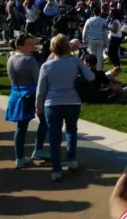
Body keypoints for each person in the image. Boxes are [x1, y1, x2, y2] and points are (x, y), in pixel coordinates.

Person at [36, 34, 95, 181]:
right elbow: (91, 77)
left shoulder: (46, 66)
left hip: (52, 104)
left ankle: (56, 170)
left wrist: (38, 106)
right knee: (71, 131)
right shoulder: (75, 62)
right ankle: (72, 160)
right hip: (72, 102)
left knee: (54, 137)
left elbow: (40, 89)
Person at [5, 33, 49, 168]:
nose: (32, 45)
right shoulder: (29, 60)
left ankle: (19, 156)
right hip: (31, 94)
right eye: (29, 43)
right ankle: (38, 150)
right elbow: (39, 79)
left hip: (16, 94)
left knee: (21, 127)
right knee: (45, 121)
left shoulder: (10, 58)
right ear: (21, 45)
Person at [83, 6, 108, 70]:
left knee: (92, 56)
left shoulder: (89, 20)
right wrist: (106, 42)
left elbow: (84, 31)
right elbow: (105, 32)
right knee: (99, 57)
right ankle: (99, 71)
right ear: (100, 13)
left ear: (93, 13)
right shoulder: (103, 20)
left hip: (91, 40)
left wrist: (84, 40)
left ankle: (92, 69)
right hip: (100, 40)